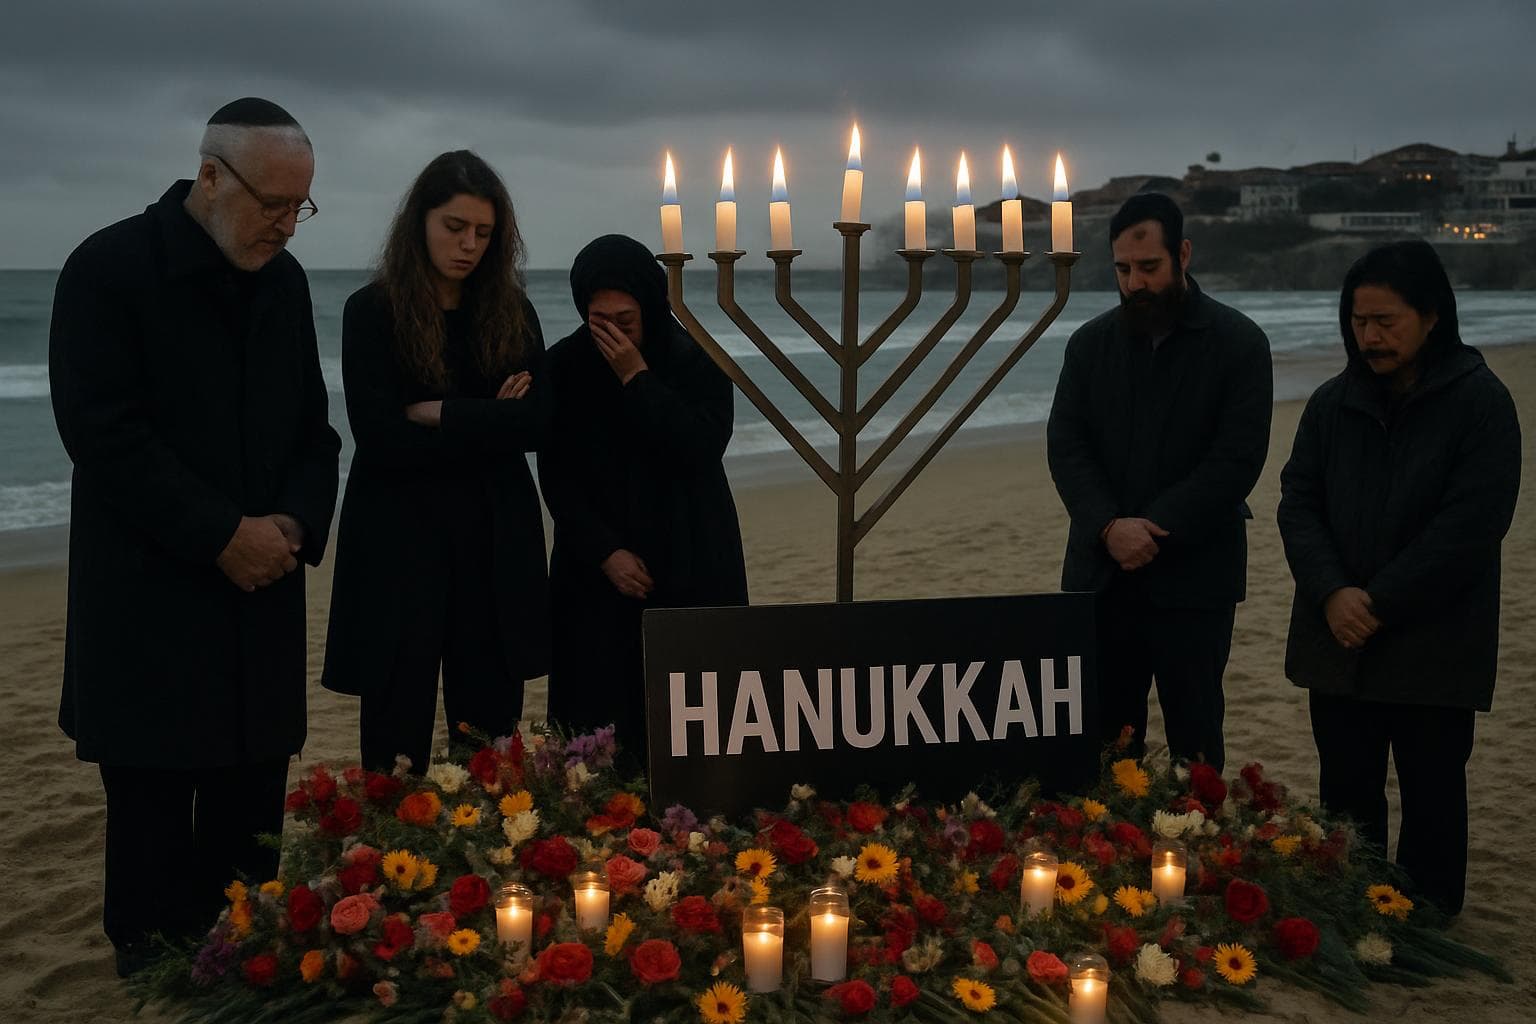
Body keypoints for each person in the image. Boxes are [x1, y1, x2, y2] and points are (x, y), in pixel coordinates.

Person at [48, 98, 340, 975]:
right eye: (272, 206)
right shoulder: (105, 269)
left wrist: (291, 524)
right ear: (210, 176)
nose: (287, 228)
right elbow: (102, 434)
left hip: (260, 602)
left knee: (249, 841)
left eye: (301, 209)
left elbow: (315, 434)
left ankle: (243, 967)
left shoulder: (284, 284)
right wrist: (222, 535)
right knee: (149, 832)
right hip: (148, 604)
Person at [1277, 240, 1520, 915]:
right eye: (1359, 322)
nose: (1371, 337)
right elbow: (1298, 501)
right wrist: (1332, 592)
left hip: (1436, 641)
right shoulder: (1332, 403)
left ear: (1432, 315)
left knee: (1433, 792)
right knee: (1346, 793)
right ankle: (1354, 914)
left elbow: (1472, 525)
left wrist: (1378, 602)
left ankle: (1429, 924)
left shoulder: (1480, 402)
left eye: (1387, 321)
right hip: (1337, 638)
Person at [322, 151, 550, 773]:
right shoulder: (371, 313)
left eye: (484, 232)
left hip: (494, 544)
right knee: (393, 748)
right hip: (398, 547)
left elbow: (538, 422)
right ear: (419, 220)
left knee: (491, 746)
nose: (469, 244)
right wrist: (490, 419)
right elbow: (380, 438)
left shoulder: (511, 312)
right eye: (455, 227)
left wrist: (441, 414)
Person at [1046, 192, 1272, 771]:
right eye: (1123, 269)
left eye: (1149, 267)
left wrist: (1154, 528)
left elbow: (1236, 460)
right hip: (1102, 575)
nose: (1135, 283)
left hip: (1195, 578)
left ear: (1184, 255)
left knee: (1195, 741)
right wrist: (1108, 526)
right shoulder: (1090, 345)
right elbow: (1067, 447)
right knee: (1104, 742)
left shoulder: (1239, 344)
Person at [539, 234, 747, 774]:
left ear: (651, 307)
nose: (610, 331)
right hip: (595, 569)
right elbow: (557, 474)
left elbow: (701, 447)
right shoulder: (563, 366)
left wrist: (636, 376)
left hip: (690, 557)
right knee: (596, 725)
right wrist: (605, 551)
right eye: (597, 318)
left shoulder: (695, 358)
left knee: (692, 715)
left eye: (624, 319)